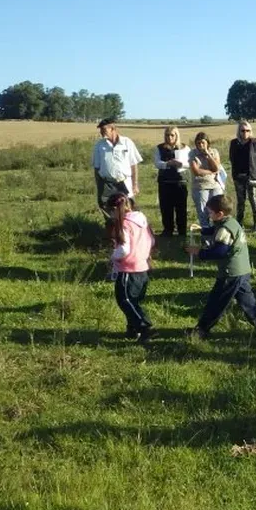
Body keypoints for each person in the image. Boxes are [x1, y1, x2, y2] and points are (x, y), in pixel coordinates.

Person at [184, 194, 256, 340]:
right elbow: (215, 230)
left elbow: (220, 251)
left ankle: (202, 330)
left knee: (216, 302)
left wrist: (198, 251)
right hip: (242, 270)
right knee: (248, 302)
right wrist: (203, 230)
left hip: (230, 273)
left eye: (210, 213)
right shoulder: (232, 222)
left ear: (220, 214)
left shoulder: (225, 230)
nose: (209, 215)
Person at [106, 192, 155, 344]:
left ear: (115, 209)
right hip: (142, 267)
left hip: (128, 269)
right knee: (134, 300)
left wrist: (112, 256)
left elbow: (124, 250)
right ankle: (132, 329)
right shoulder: (141, 220)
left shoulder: (124, 225)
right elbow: (151, 241)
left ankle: (145, 327)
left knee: (125, 300)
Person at [92, 118, 143, 221]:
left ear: (113, 129)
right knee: (107, 209)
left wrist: (135, 184)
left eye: (104, 129)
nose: (101, 132)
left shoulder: (127, 142)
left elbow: (134, 165)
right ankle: (112, 233)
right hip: (106, 183)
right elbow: (96, 168)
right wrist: (99, 186)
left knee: (128, 209)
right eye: (101, 130)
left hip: (124, 182)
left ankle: (127, 232)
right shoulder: (99, 145)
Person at [152, 126, 190, 237]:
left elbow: (190, 162)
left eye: (172, 135)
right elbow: (156, 163)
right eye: (167, 135)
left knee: (181, 208)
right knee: (165, 207)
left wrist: (181, 164)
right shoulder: (159, 148)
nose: (169, 137)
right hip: (165, 181)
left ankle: (182, 231)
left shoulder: (184, 148)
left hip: (180, 181)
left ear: (176, 135)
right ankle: (168, 229)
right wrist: (167, 164)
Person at [228, 120, 256, 232]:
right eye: (242, 130)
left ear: (251, 131)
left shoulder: (255, 142)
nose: (245, 133)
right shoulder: (234, 143)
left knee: (253, 200)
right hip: (238, 176)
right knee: (241, 201)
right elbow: (231, 158)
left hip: (252, 175)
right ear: (239, 131)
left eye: (248, 130)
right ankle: (239, 223)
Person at [189, 132, 223, 229]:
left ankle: (217, 233)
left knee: (218, 209)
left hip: (215, 185)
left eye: (203, 143)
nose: (201, 145)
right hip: (200, 186)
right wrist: (210, 171)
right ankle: (206, 236)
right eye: (198, 143)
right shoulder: (193, 153)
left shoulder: (214, 152)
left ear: (207, 143)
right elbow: (196, 171)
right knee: (203, 212)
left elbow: (216, 168)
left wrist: (208, 155)